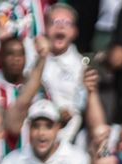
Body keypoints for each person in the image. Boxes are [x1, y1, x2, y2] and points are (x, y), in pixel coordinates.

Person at [41, 3, 88, 142]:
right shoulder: (32, 57)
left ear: (75, 31)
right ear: (45, 27)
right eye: (55, 22)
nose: (60, 27)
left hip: (66, 137)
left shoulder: (81, 65)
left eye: (67, 23)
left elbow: (80, 106)